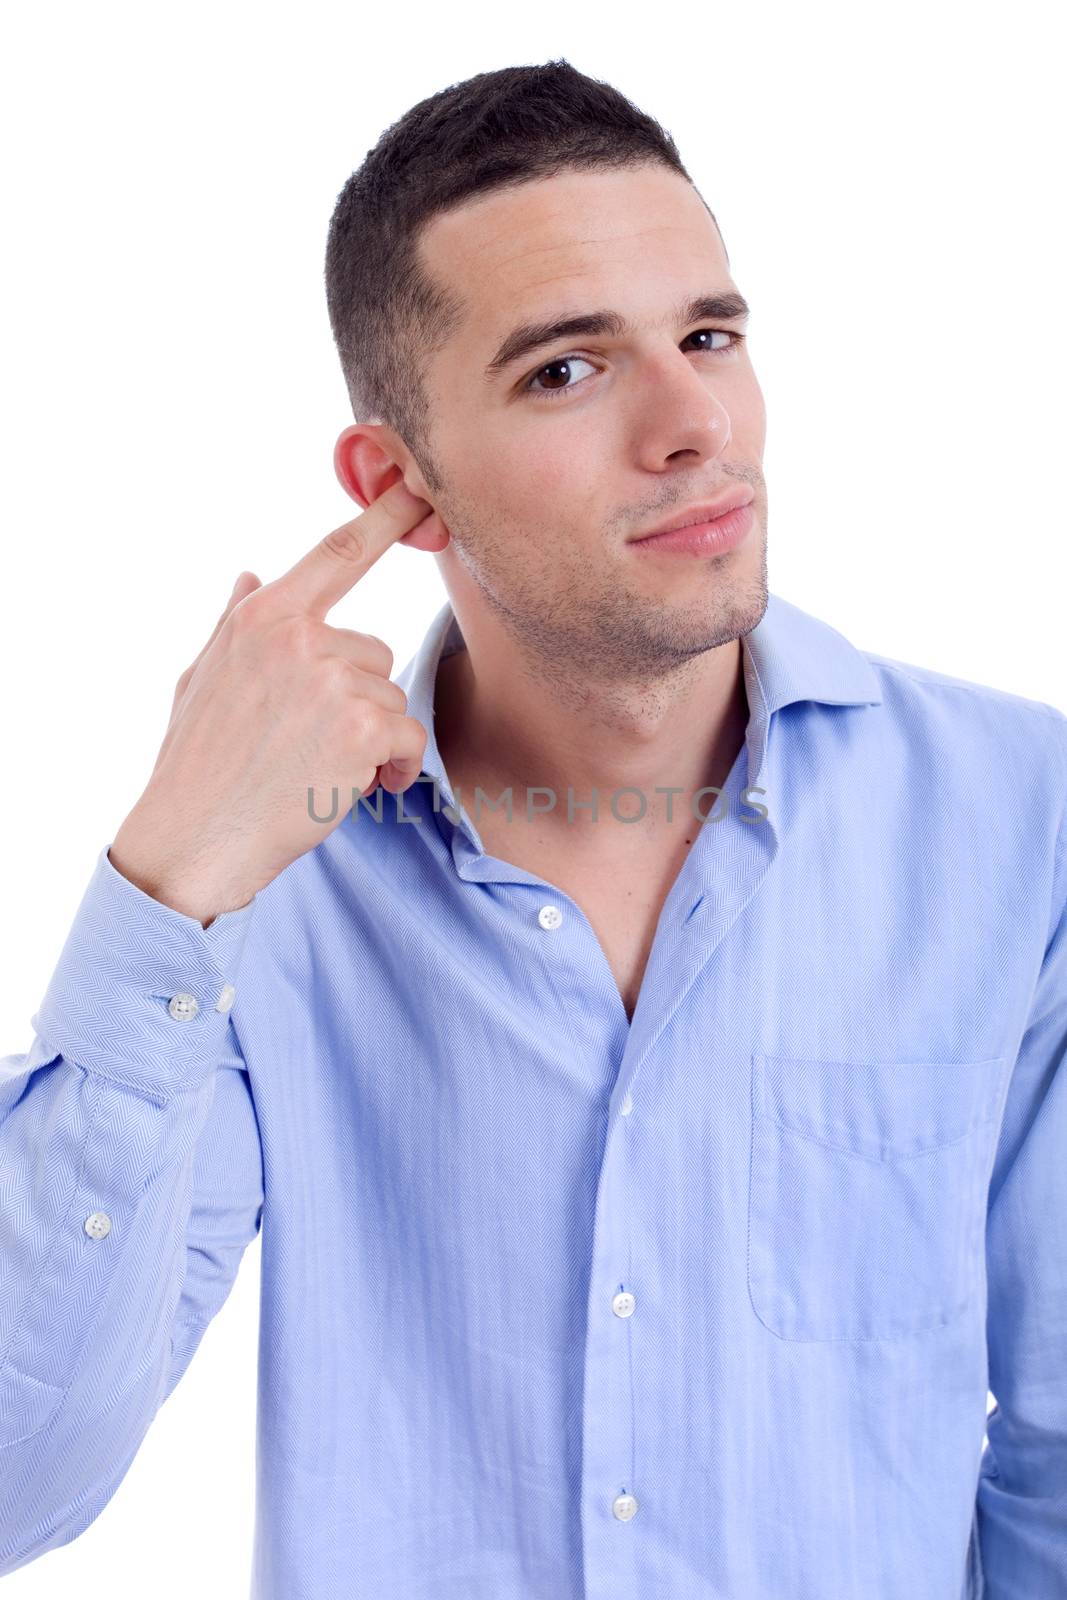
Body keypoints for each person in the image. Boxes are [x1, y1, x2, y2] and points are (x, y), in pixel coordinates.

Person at [1, 58, 1063, 1600]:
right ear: (401, 487)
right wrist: (166, 882)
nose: (696, 422)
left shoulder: (1014, 820)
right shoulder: (272, 890)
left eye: (710, 335)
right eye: (570, 370)